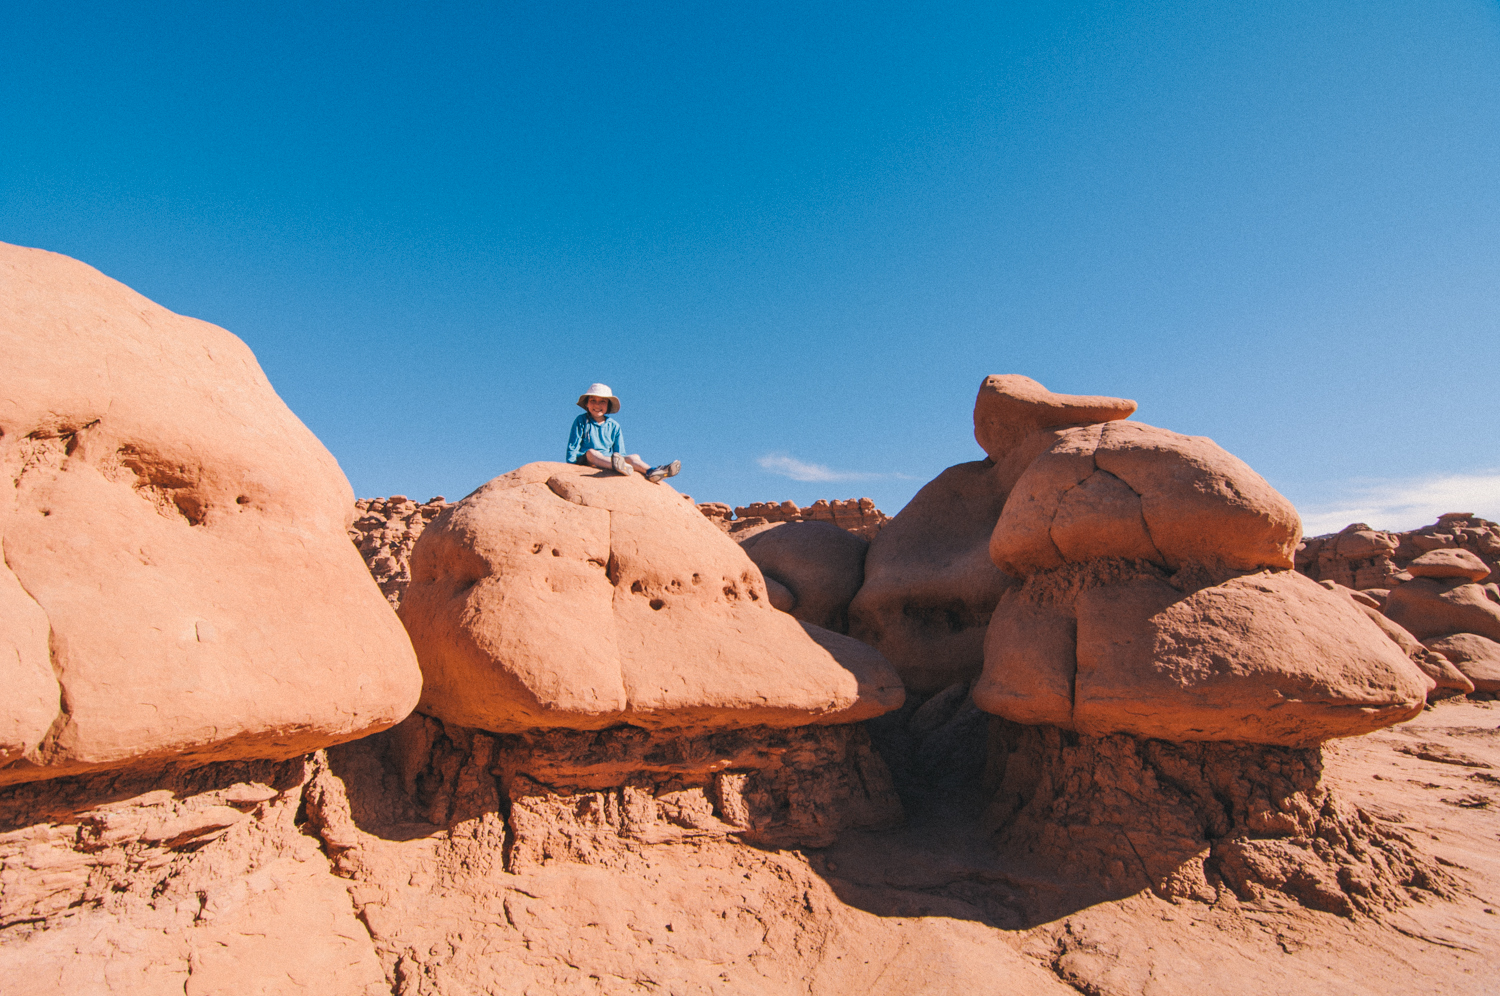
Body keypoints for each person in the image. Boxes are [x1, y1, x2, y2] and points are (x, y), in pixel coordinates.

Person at [565, 383, 681, 483]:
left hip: (608, 459)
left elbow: (619, 452)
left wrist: (624, 460)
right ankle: (616, 466)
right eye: (593, 400)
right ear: (587, 404)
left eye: (602, 401)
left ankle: (652, 471)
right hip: (588, 459)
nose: (597, 405)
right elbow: (573, 445)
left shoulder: (614, 426)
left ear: (608, 405)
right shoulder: (581, 421)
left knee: (634, 456)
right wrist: (571, 466)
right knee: (591, 453)